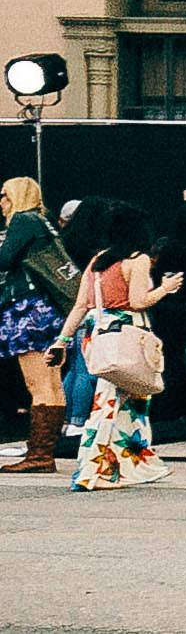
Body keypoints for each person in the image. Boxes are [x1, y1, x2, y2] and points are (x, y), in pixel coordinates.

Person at [68, 209, 174, 488]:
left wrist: (61, 339)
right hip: (128, 335)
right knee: (129, 403)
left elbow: (81, 305)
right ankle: (105, 467)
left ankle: (103, 465)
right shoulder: (137, 260)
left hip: (97, 333)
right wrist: (165, 288)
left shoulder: (98, 261)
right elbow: (138, 301)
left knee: (106, 399)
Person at [0, 174, 62, 478]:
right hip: (49, 310)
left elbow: (4, 259)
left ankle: (39, 454)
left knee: (37, 384)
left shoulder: (23, 221)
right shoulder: (44, 221)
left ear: (17, 197)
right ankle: (44, 451)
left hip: (27, 310)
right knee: (53, 383)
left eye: (5, 195)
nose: (1, 202)